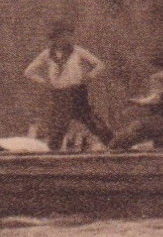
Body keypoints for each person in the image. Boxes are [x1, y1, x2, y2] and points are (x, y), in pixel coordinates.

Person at [24, 22, 114, 150]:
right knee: (59, 124)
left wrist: (89, 76)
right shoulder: (47, 54)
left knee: (91, 120)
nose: (66, 39)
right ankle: (53, 154)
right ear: (55, 38)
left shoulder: (77, 51)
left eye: (68, 36)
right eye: (62, 36)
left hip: (77, 91)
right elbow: (29, 71)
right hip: (60, 93)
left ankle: (114, 144)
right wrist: (44, 81)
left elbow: (99, 65)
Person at [111, 61, 163, 152]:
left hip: (157, 121)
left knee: (117, 143)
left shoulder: (158, 79)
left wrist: (138, 102)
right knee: (162, 151)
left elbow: (155, 98)